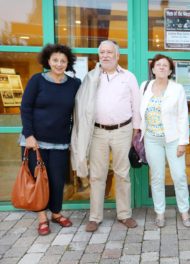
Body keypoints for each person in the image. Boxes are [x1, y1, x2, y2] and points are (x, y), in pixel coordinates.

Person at [71, 40, 140, 232]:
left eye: (110, 52)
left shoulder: (128, 77)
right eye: (102, 52)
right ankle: (95, 217)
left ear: (117, 55)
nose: (106, 55)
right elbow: (82, 104)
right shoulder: (91, 77)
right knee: (97, 175)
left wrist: (136, 131)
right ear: (99, 55)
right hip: (97, 132)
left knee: (122, 174)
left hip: (123, 131)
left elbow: (136, 105)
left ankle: (124, 214)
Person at [20, 44, 81, 235]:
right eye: (55, 60)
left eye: (63, 61)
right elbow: (25, 108)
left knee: (56, 181)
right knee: (38, 180)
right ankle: (42, 218)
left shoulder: (74, 84)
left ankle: (56, 213)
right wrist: (29, 135)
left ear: (68, 63)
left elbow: (79, 111)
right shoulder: (37, 80)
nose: (59, 64)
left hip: (60, 142)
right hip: (34, 141)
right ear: (48, 61)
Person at [140, 54, 190, 228]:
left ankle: (184, 211)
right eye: (158, 65)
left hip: (173, 140)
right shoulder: (144, 87)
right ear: (153, 69)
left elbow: (183, 116)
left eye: (165, 65)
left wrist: (183, 142)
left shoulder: (177, 89)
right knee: (157, 177)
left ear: (170, 71)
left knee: (179, 176)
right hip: (151, 139)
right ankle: (160, 213)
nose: (161, 67)